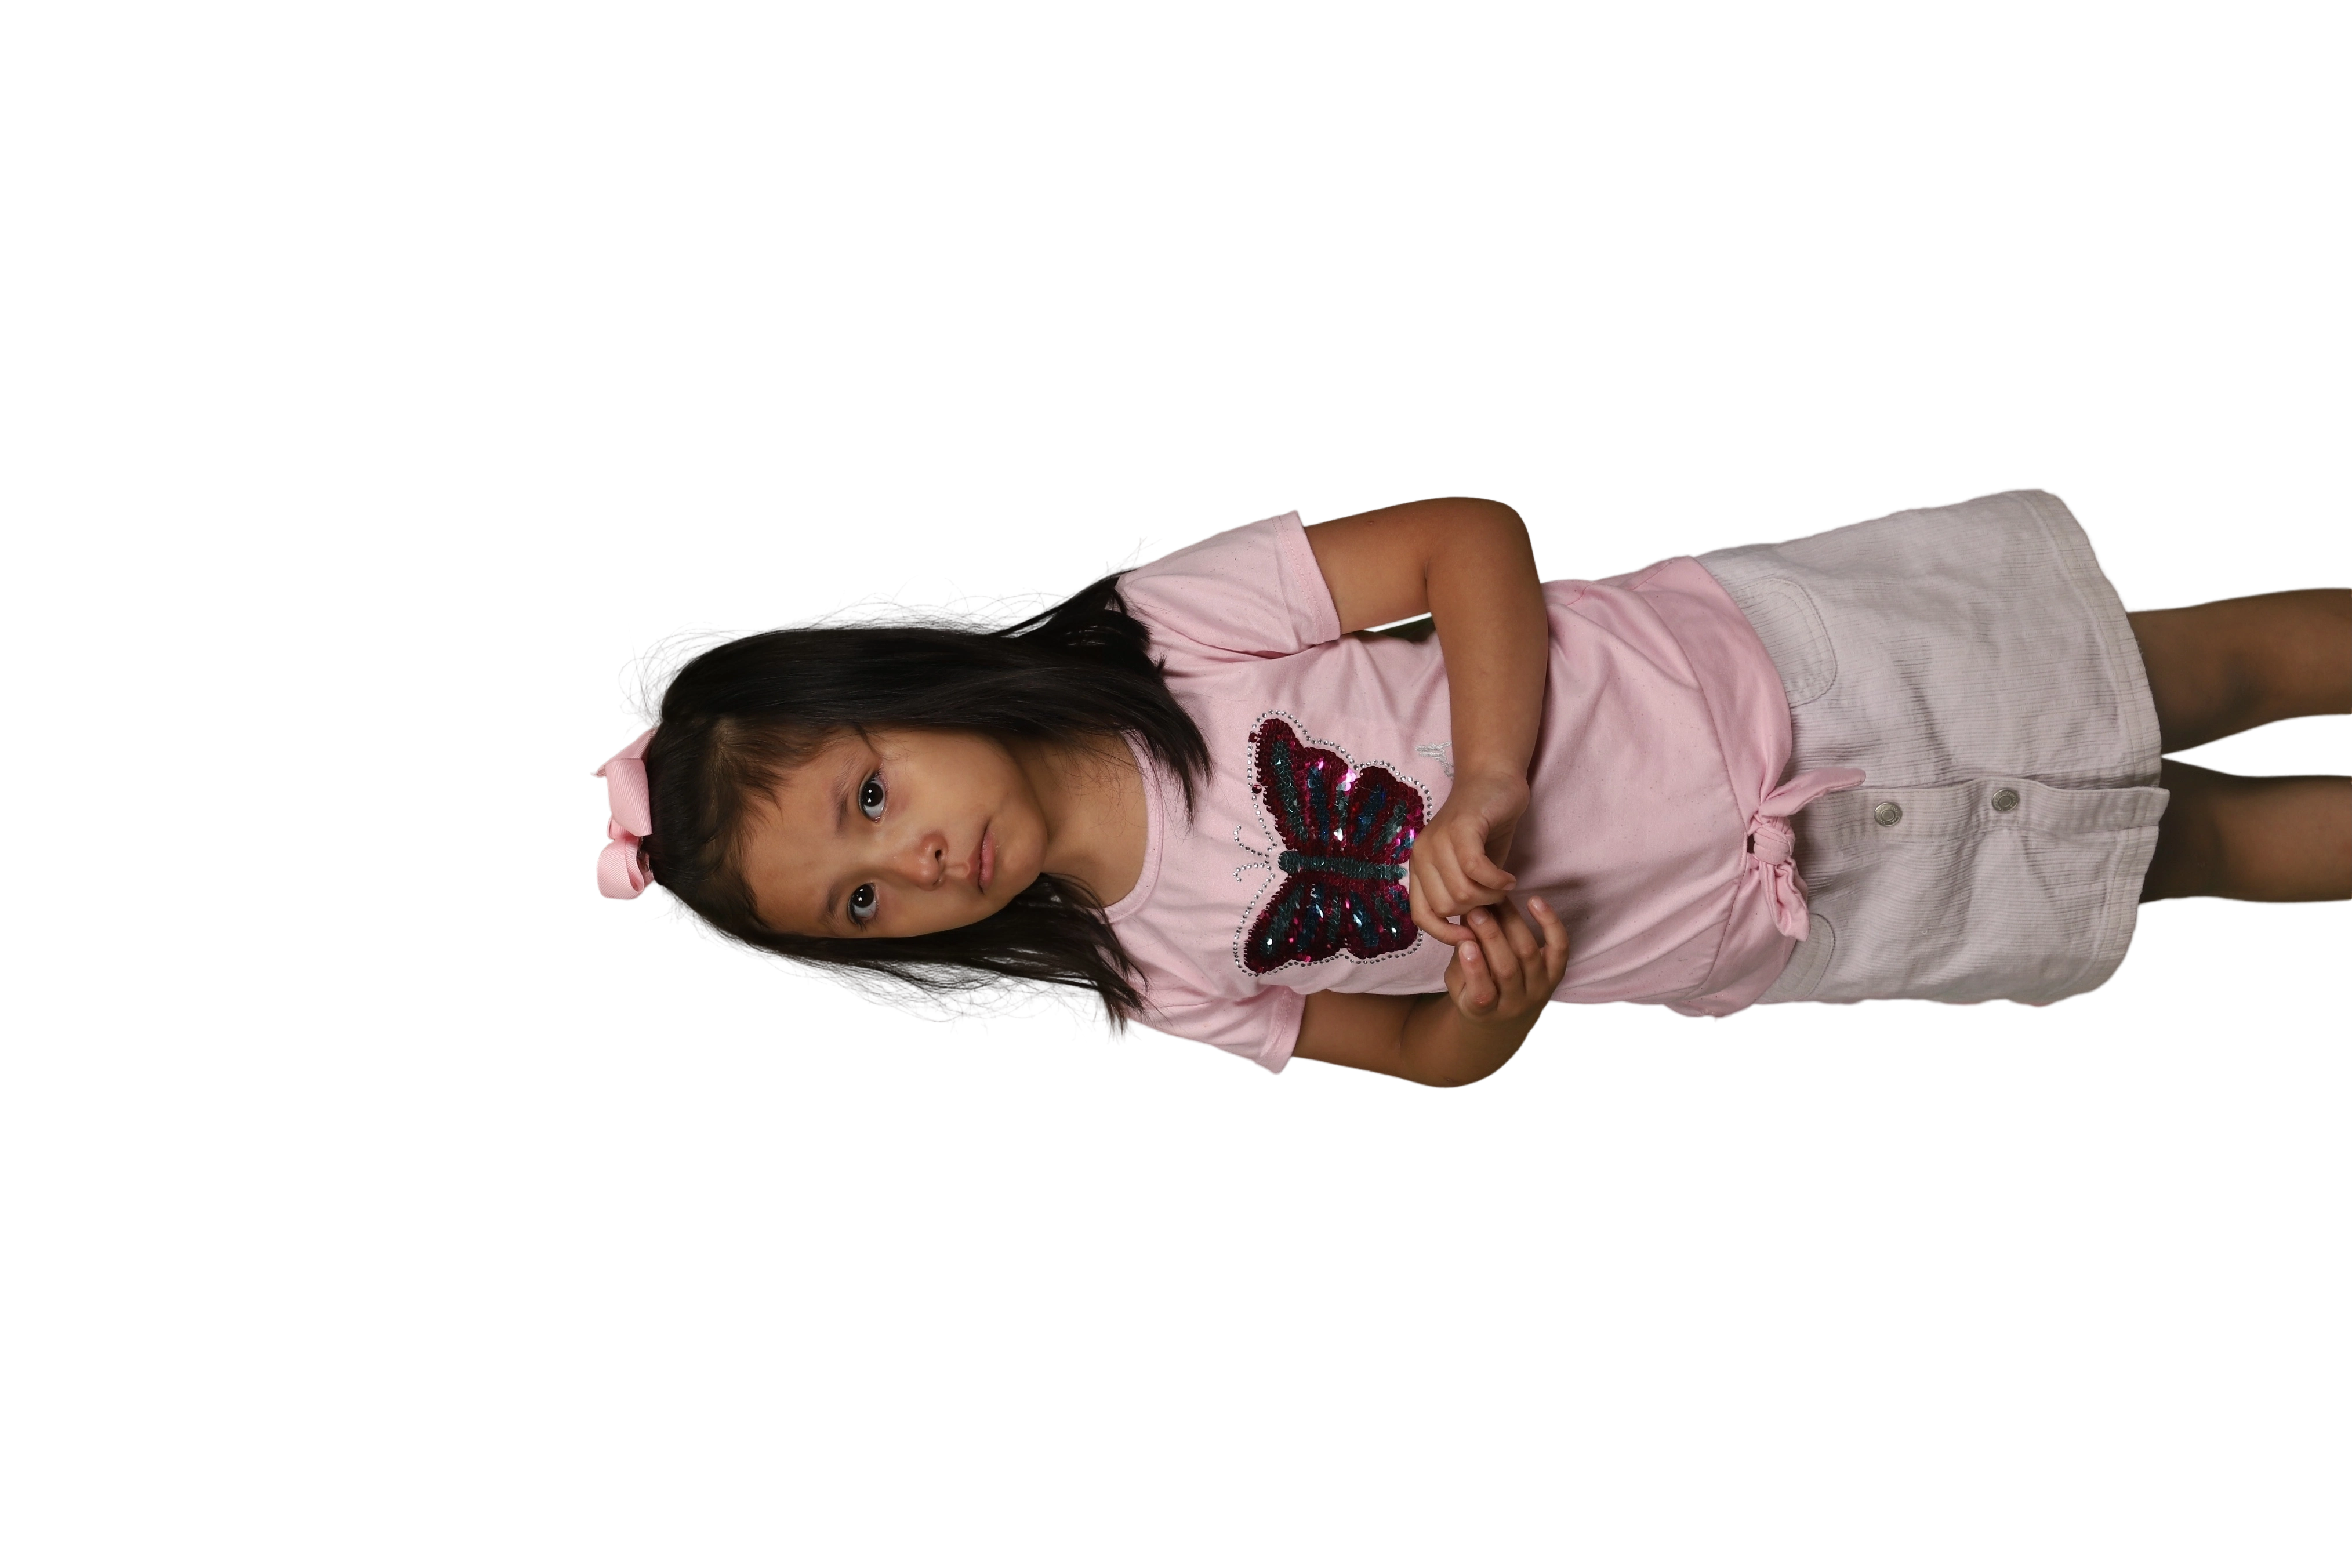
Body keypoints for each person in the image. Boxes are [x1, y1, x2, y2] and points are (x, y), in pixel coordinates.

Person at [589, 487, 2352, 1089]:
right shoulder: (1158, 975)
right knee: (2193, 851)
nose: (920, 859)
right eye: (867, 901)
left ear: (898, 687)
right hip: (1820, 906)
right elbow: (1433, 1056)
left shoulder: (1166, 637)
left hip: (1803, 677)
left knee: (2198, 671)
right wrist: (1495, 1005)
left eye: (871, 796)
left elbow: (1469, 541)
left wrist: (1487, 777)